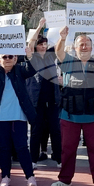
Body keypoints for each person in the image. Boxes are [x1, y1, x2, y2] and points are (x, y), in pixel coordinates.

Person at [51, 27, 94, 186]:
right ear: (75, 47)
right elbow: (59, 52)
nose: (84, 46)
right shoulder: (68, 61)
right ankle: (65, 179)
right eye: (81, 44)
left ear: (92, 47)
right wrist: (62, 38)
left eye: (87, 44)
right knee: (67, 149)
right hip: (69, 115)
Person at [0, 53, 38, 186]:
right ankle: (5, 176)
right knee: (4, 148)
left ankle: (30, 176)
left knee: (22, 147)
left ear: (16, 59)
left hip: (19, 117)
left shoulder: (20, 71)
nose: (7, 59)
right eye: (4, 57)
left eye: (10, 57)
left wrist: (29, 56)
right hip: (0, 118)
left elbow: (32, 70)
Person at [26, 22, 61, 165]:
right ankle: (33, 160)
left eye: (45, 44)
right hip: (37, 100)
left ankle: (59, 159)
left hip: (52, 100)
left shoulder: (51, 56)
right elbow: (30, 42)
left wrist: (63, 34)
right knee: (36, 131)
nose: (43, 47)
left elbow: (60, 45)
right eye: (41, 44)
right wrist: (39, 27)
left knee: (56, 131)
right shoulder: (32, 57)